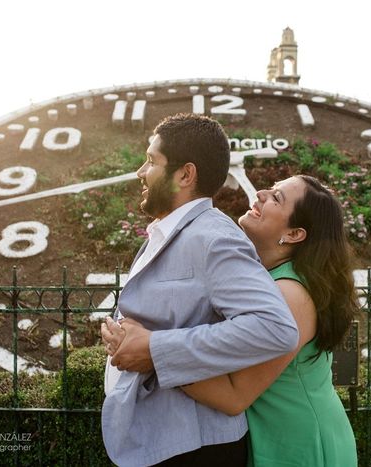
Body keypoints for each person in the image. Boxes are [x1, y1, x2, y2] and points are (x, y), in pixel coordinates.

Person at [105, 175, 359, 466]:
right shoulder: (267, 277)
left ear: (294, 234)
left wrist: (152, 352)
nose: (261, 193)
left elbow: (234, 396)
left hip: (296, 443)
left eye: (277, 197)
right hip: (273, 435)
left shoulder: (290, 293)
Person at [100, 113, 299, 467]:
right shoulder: (169, 231)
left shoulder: (214, 239)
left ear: (185, 175)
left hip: (194, 450)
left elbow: (275, 328)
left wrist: (154, 349)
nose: (140, 172)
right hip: (161, 441)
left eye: (151, 161)